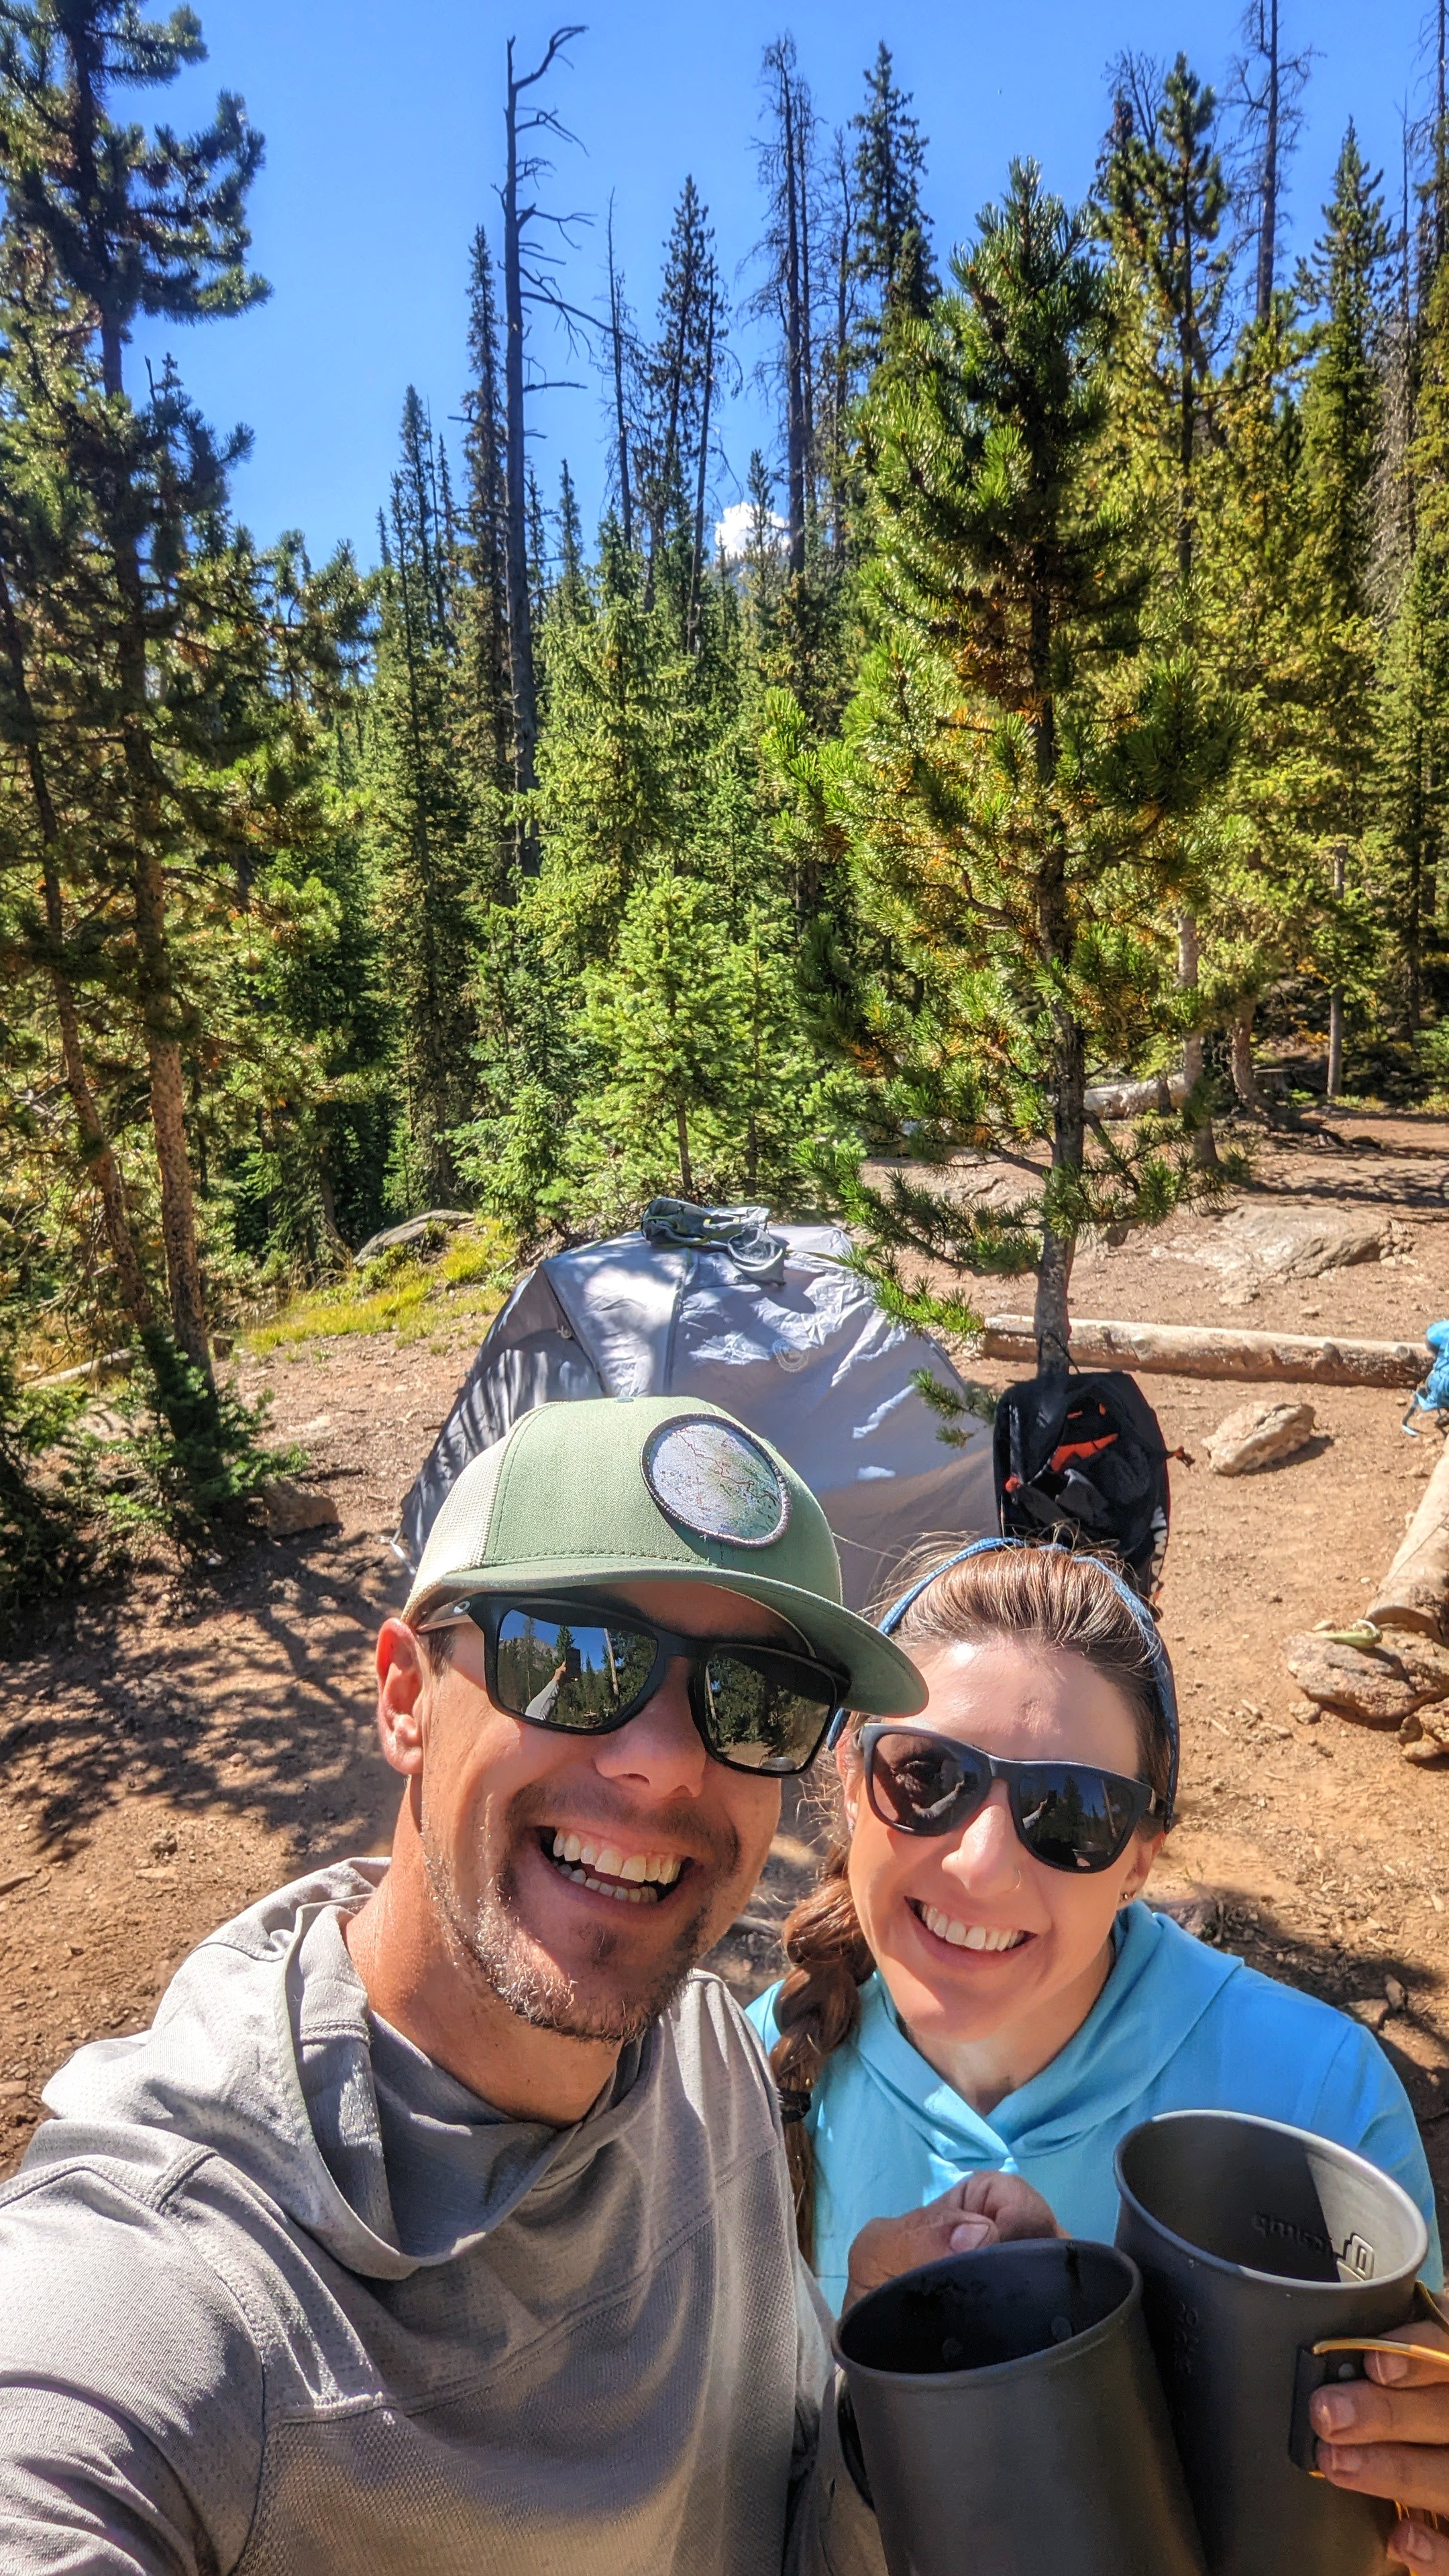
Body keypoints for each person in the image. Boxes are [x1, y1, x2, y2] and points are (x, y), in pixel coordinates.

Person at [0, 1396, 1037, 2576]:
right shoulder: (175, 2284)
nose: (663, 1761)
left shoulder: (706, 2058)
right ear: (406, 1698)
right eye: (573, 1658)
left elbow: (772, 2515)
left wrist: (886, 2414)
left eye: (759, 1698)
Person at [749, 1537, 1449, 2571]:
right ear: (853, 1780)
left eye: (1071, 1812)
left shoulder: (1316, 2095)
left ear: (1139, 1862)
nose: (983, 1865)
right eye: (927, 1776)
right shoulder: (742, 2080)